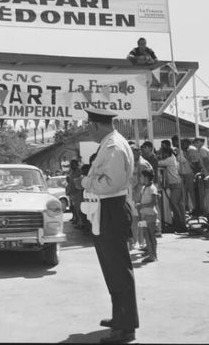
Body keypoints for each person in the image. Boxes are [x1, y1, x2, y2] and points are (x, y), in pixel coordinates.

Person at [81, 108, 138, 344]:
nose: (87, 131)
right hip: (106, 209)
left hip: (111, 209)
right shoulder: (109, 143)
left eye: (88, 127)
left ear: (95, 125)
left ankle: (125, 327)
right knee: (112, 269)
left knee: (118, 270)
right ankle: (120, 318)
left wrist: (85, 181)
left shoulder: (113, 146)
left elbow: (110, 183)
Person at [129, 143, 153, 251]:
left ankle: (144, 242)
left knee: (143, 220)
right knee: (135, 219)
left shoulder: (143, 164)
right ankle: (137, 241)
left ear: (138, 152)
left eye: (134, 150)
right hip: (134, 195)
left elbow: (145, 182)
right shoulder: (132, 163)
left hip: (142, 196)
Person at [158, 146, 187, 232]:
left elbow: (159, 163)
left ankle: (181, 224)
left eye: (162, 153)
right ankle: (179, 222)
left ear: (166, 153)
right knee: (175, 204)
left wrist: (157, 158)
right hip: (175, 184)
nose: (161, 155)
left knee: (174, 203)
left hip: (176, 184)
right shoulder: (172, 158)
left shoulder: (169, 160)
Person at [136, 169, 159, 263]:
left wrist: (141, 205)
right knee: (147, 235)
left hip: (150, 215)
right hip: (145, 214)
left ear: (146, 177)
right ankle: (151, 254)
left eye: (142, 176)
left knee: (151, 235)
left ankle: (153, 255)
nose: (140, 178)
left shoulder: (152, 188)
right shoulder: (144, 188)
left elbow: (153, 202)